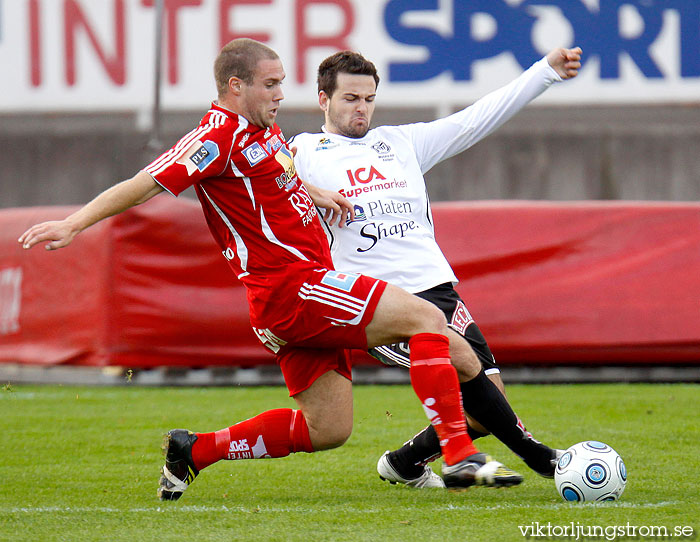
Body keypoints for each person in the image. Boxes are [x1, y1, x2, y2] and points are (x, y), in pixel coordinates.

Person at [18, 38, 525, 501]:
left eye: (281, 81)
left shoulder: (265, 130)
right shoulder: (215, 137)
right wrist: (75, 222)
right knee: (425, 319)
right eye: (271, 83)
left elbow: (275, 184)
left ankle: (194, 451)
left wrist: (316, 193)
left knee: (328, 429)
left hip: (294, 294)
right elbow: (145, 182)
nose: (282, 92)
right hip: (293, 288)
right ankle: (458, 455)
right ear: (236, 87)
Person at [291, 46, 582, 488]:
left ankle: (404, 462)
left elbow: (477, 118)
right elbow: (254, 176)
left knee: (486, 410)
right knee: (461, 359)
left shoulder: (401, 143)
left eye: (368, 98)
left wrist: (545, 72)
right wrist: (306, 188)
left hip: (439, 290)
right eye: (350, 98)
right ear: (323, 100)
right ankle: (542, 459)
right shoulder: (304, 150)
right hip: (377, 300)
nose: (361, 108)